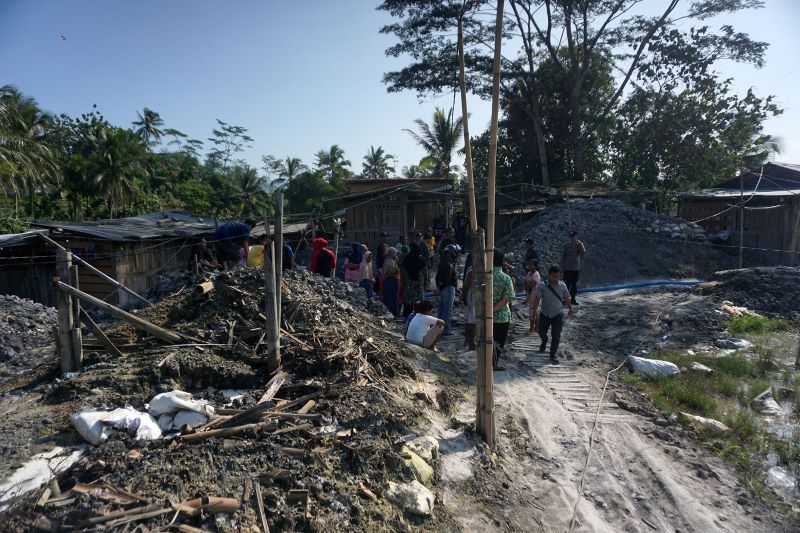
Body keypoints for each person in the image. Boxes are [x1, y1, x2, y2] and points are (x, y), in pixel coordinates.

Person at [531, 264, 573, 363]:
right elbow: (537, 299)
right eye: (553, 276)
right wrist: (534, 312)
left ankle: (552, 354)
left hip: (558, 314)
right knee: (541, 332)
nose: (555, 278)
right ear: (549, 275)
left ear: (560, 276)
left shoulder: (563, 286)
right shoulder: (542, 285)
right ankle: (544, 341)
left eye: (557, 276)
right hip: (545, 313)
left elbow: (567, 299)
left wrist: (570, 309)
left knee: (556, 335)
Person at [492, 249, 515, 371]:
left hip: (483, 315)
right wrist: (493, 311)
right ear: (502, 263)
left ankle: (485, 363)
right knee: (498, 342)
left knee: (485, 340)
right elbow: (506, 300)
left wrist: (487, 312)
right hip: (501, 317)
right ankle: (493, 364)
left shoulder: (482, 276)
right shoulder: (506, 278)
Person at [435, 244, 458, 335]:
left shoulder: (442, 262)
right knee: (447, 310)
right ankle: (446, 329)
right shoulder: (448, 264)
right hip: (448, 288)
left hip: (443, 288)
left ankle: (439, 329)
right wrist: (440, 288)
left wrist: (439, 287)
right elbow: (447, 279)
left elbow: (437, 277)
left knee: (441, 309)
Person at [403, 232, 427, 317]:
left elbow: (404, 272)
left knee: (409, 301)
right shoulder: (422, 260)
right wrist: (425, 284)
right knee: (419, 300)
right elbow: (425, 272)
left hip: (410, 283)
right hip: (419, 282)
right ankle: (419, 316)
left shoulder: (407, 259)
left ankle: (408, 317)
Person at [561, 231, 586, 305]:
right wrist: (562, 268)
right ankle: (565, 299)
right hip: (567, 268)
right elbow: (563, 257)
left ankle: (573, 299)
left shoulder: (579, 245)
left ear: (576, 237)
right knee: (567, 285)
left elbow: (583, 253)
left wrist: (581, 244)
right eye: (571, 237)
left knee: (574, 285)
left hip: (575, 268)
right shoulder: (566, 245)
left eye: (573, 237)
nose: (572, 238)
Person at [381, 247, 401, 316]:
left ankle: (393, 313)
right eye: (394, 253)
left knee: (392, 298)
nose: (395, 254)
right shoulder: (388, 261)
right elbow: (385, 273)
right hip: (389, 282)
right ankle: (391, 313)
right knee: (390, 298)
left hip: (392, 282)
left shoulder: (391, 260)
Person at [462, 253, 476, 350]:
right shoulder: (488, 269)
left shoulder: (471, 270)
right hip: (480, 299)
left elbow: (466, 285)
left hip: (472, 299)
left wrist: (463, 297)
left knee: (470, 321)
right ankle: (470, 341)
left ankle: (470, 342)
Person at [524, 259, 541, 335]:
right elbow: (525, 282)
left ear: (535, 266)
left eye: (531, 264)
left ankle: (531, 328)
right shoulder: (529, 273)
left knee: (533, 312)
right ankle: (537, 327)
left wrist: (527, 286)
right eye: (529, 264)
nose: (529, 266)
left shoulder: (536, 275)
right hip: (531, 296)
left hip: (535, 296)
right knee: (535, 312)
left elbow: (531, 285)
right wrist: (527, 285)